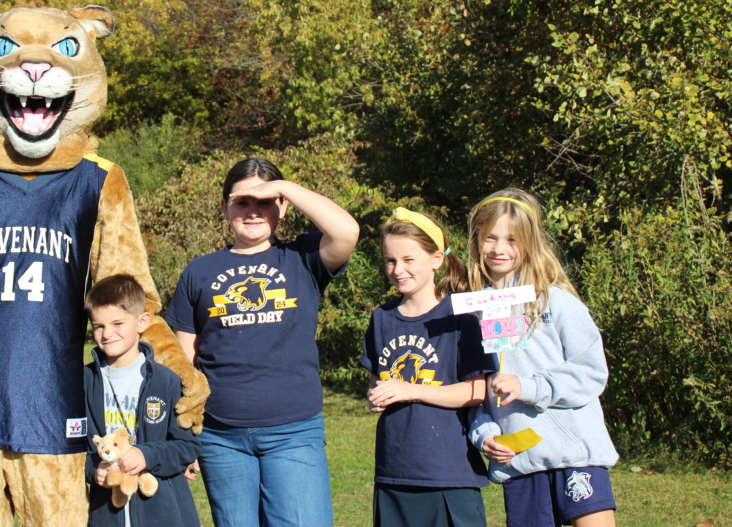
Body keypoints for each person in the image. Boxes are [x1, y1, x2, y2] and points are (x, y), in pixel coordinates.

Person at [165, 157, 360, 527]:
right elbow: (182, 360)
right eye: (242, 202)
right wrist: (181, 434)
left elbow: (348, 232)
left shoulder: (303, 257)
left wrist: (284, 187)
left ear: (282, 207)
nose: (253, 212)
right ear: (225, 207)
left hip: (293, 432)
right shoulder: (199, 270)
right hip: (219, 437)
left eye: (265, 201)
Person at [467, 188, 618, 527]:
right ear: (476, 240)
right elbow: (474, 391)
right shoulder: (474, 312)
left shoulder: (557, 302)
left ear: (531, 242)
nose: (499, 249)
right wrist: (485, 435)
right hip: (520, 462)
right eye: (490, 238)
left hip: (575, 455)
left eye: (512, 239)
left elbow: (591, 372)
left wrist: (530, 387)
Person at [360, 207, 497, 527]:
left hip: (448, 473)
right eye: (390, 260)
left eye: (409, 260)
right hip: (394, 471)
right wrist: (375, 396)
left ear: (436, 259)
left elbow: (477, 391)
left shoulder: (462, 316)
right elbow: (378, 381)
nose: (398, 269)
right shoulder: (381, 317)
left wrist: (410, 390)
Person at [84, 274, 201, 527]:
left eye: (117, 323)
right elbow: (72, 450)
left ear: (142, 322)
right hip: (106, 514)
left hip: (163, 514)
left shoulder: (166, 381)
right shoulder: (83, 382)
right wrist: (93, 469)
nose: (107, 334)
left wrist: (147, 455)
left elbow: (186, 447)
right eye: (99, 326)